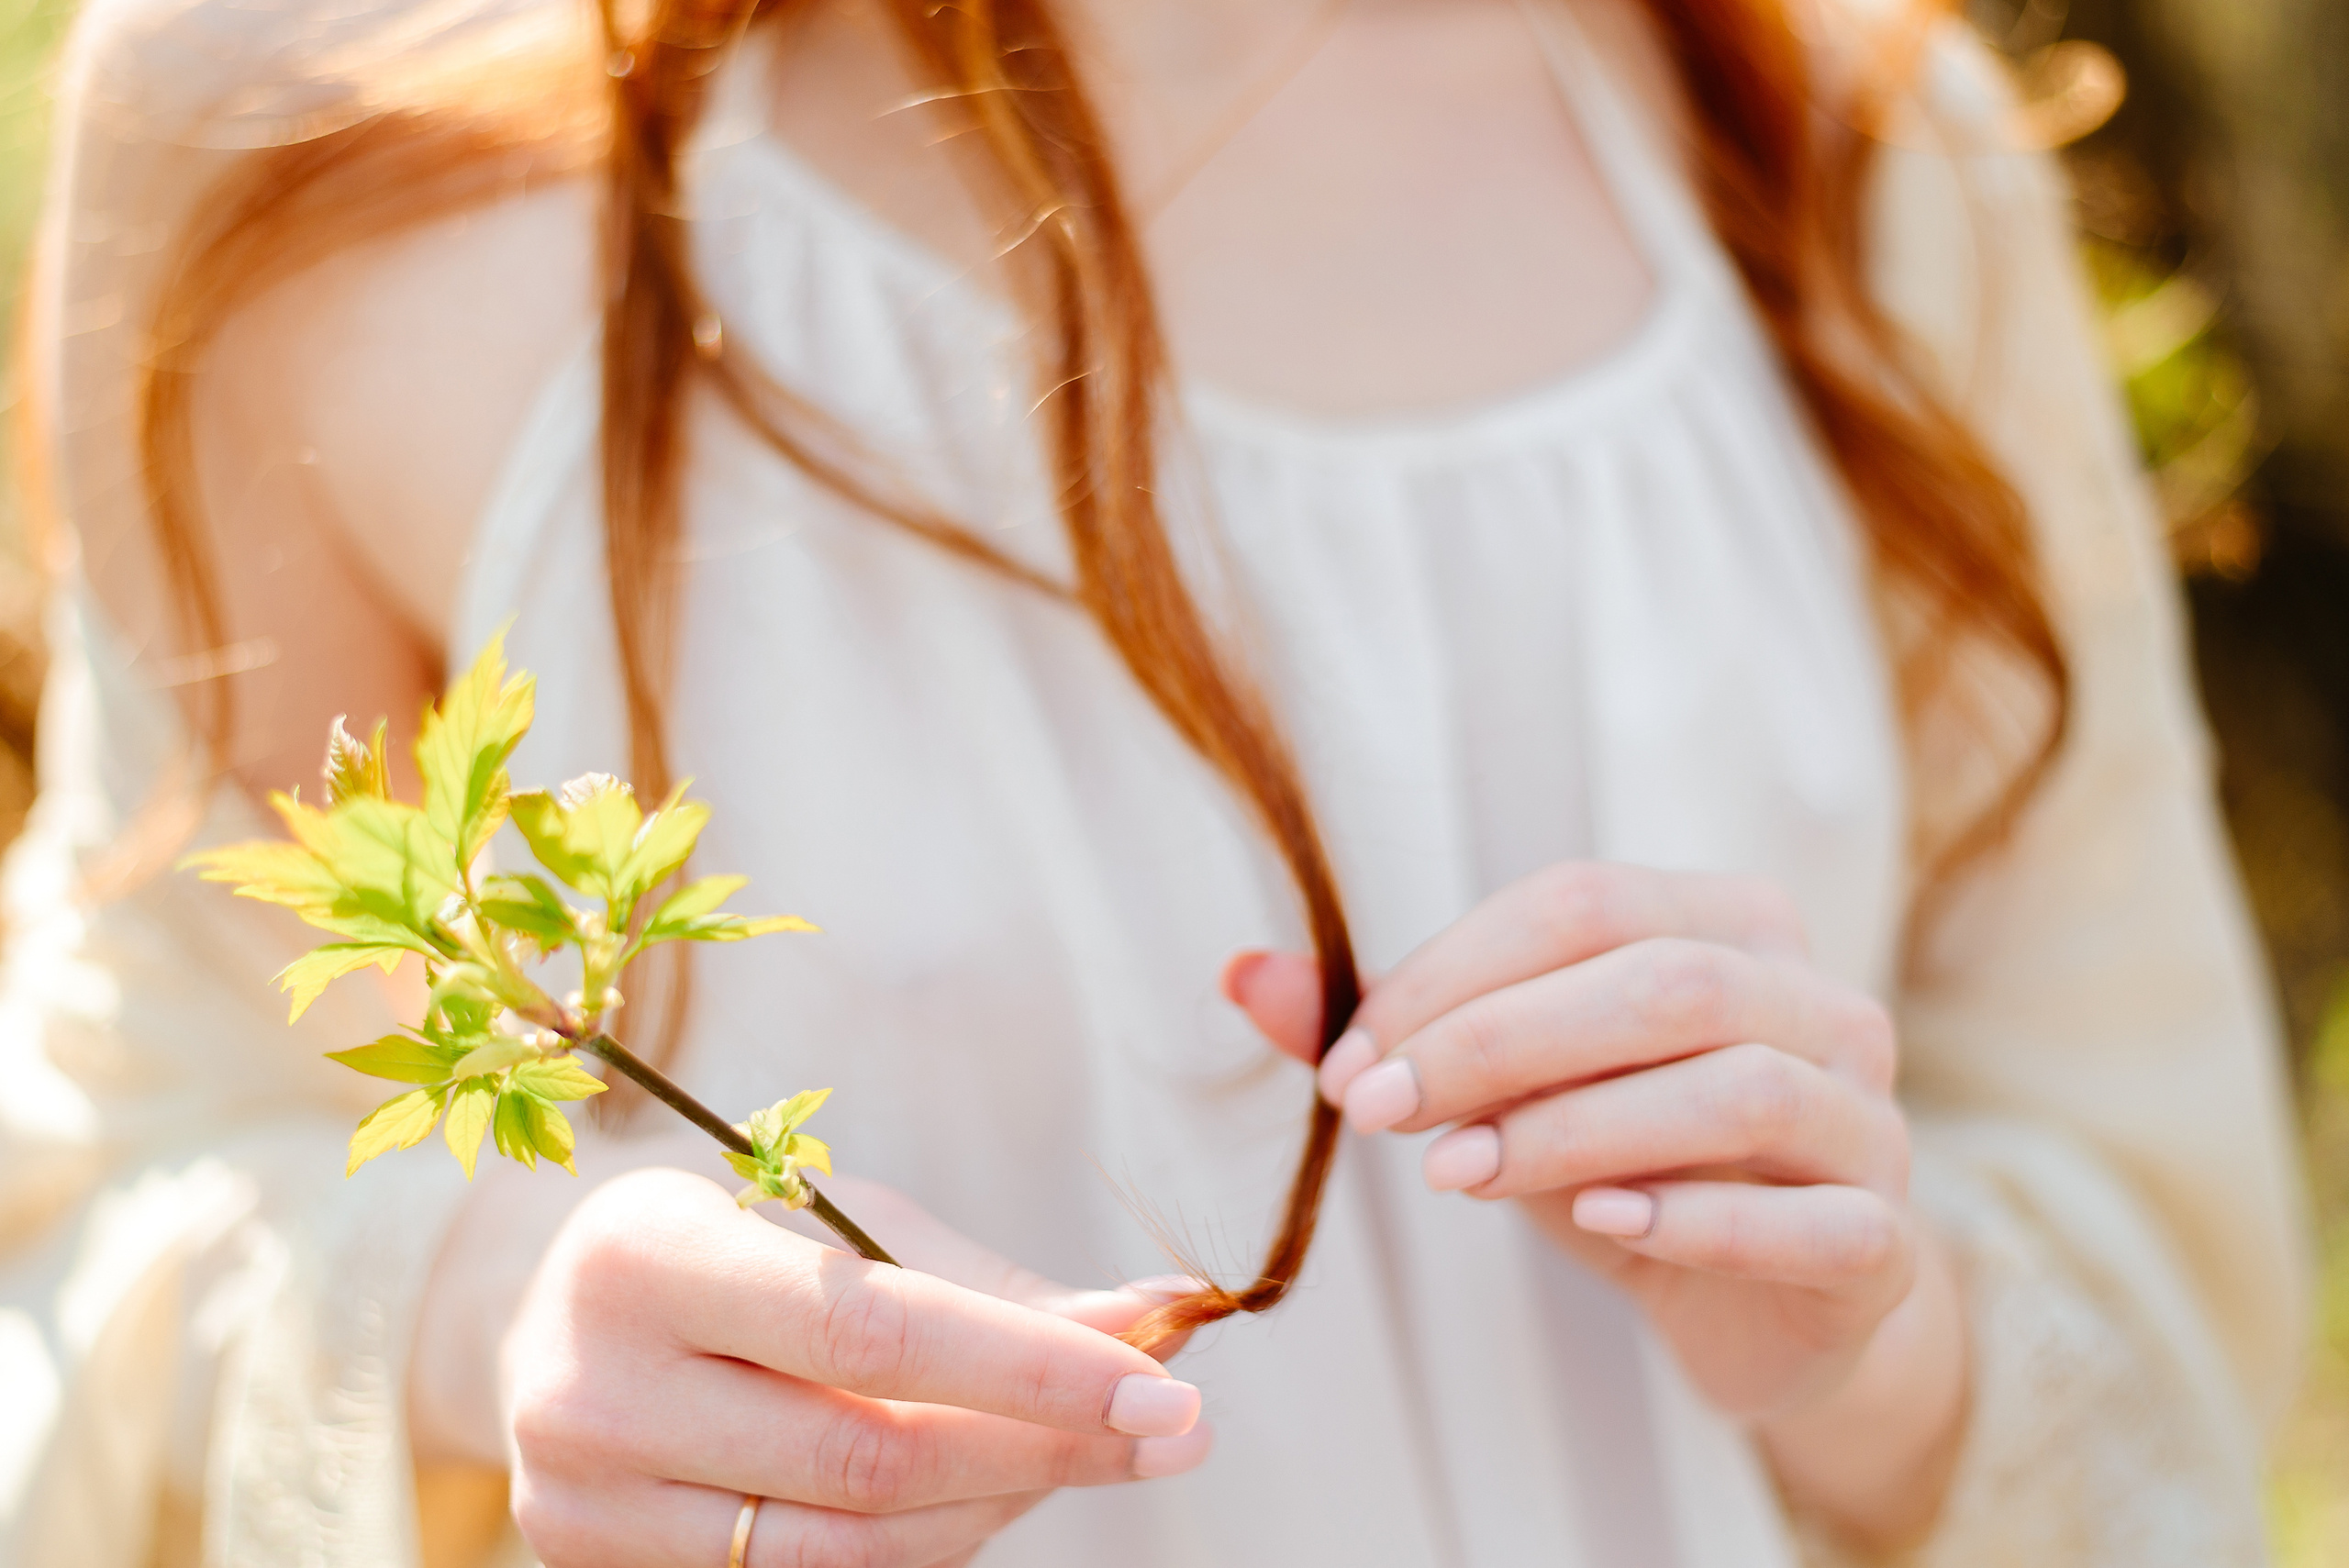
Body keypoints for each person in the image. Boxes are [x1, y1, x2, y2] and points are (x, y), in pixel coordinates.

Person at [0, 0, 2310, 1562]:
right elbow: (108, 1213)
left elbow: (2174, 1294)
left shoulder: (1832, 126)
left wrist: (1869, 1342)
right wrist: (487, 1307)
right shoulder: (312, 94)